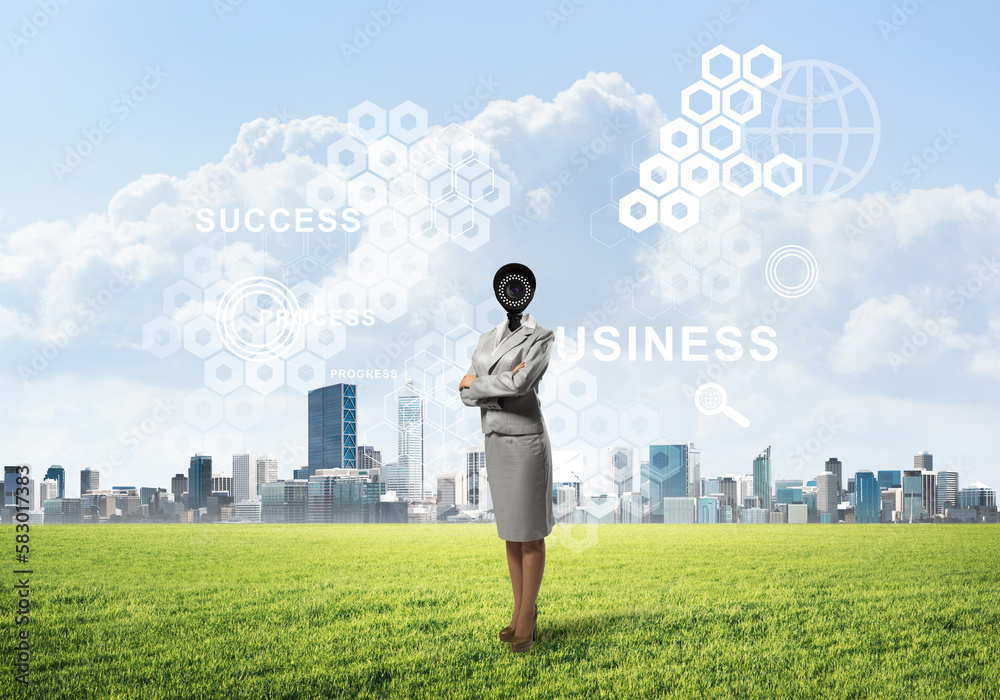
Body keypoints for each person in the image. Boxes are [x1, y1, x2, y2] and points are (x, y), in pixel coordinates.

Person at [458, 263, 555, 654]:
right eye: (507, 288)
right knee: (511, 535)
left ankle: (528, 619)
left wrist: (480, 386)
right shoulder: (485, 340)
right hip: (495, 440)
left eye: (520, 288)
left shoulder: (541, 337)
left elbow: (522, 382)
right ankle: (517, 613)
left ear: (528, 292)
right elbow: (463, 393)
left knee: (530, 535)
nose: (513, 293)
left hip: (527, 443)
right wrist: (493, 387)